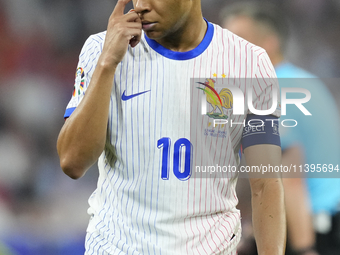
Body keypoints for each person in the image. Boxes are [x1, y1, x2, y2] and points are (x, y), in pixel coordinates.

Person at [57, 0, 286, 254]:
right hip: (117, 247)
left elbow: (266, 185)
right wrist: (107, 63)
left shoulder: (250, 64)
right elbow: (72, 162)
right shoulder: (100, 48)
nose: (141, 5)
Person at [221, 2, 340, 255]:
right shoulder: (301, 79)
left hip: (312, 227)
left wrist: (306, 248)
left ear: (269, 43)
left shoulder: (274, 90)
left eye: (239, 39)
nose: (228, 49)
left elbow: (289, 174)